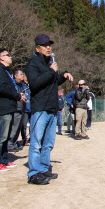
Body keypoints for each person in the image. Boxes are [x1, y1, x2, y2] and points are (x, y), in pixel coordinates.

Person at [25, 34, 73, 185]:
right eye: (44, 45)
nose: (48, 47)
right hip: (40, 108)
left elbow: (52, 83)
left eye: (49, 45)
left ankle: (44, 169)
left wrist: (63, 76)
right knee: (36, 143)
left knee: (48, 143)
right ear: (37, 48)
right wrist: (51, 71)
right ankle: (33, 173)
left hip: (52, 109)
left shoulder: (48, 64)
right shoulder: (32, 63)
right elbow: (35, 83)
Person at [0, 49, 26, 172]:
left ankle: (4, 159)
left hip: (10, 106)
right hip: (3, 108)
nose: (10, 57)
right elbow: (3, 88)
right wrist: (17, 96)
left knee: (7, 136)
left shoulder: (7, 72)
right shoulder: (0, 71)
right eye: (7, 55)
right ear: (1, 57)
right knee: (2, 136)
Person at [7, 69, 26, 152]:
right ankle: (9, 144)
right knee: (14, 128)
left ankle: (13, 143)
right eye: (21, 74)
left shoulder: (21, 85)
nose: (23, 76)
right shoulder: (13, 85)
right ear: (15, 76)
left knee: (18, 128)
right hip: (16, 109)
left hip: (21, 109)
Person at [20, 74, 31, 146]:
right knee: (23, 125)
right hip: (25, 108)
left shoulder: (32, 85)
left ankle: (32, 139)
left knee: (33, 125)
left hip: (32, 108)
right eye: (26, 76)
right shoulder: (21, 85)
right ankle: (24, 139)